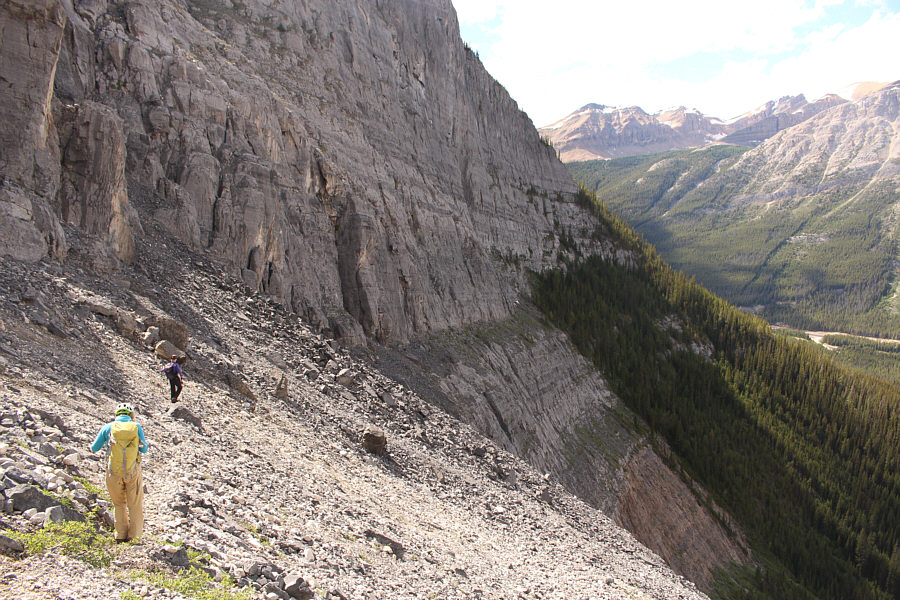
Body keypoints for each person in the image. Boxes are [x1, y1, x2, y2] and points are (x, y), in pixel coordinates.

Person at [90, 402, 149, 543]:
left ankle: (120, 535)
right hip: (133, 470)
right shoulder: (136, 427)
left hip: (114, 471)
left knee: (119, 503)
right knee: (135, 504)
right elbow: (144, 449)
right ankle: (135, 537)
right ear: (131, 415)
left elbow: (94, 448)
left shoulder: (108, 427)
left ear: (116, 414)